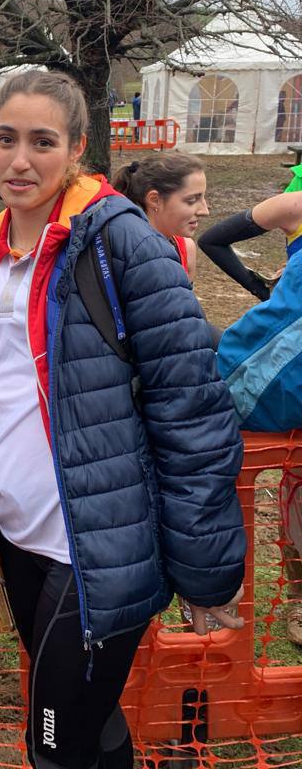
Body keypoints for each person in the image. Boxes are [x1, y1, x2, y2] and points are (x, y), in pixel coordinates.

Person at [0, 69, 246, 769]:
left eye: (43, 141)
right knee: (90, 724)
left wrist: (205, 570)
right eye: (6, 138)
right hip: (18, 532)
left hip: (98, 547)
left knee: (53, 742)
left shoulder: (119, 243)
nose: (21, 160)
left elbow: (191, 404)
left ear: (76, 149)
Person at [199, 189, 302, 644]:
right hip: (235, 372)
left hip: (283, 401)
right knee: (202, 488)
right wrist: (263, 288)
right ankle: (199, 593)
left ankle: (298, 604)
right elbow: (213, 239)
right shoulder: (297, 206)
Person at [112, 154, 208, 282]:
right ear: (154, 200)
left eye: (203, 197)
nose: (205, 211)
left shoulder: (185, 248)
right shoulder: (119, 251)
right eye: (191, 200)